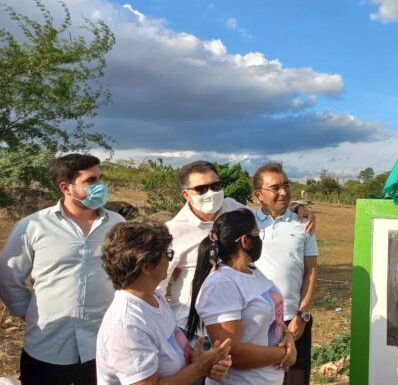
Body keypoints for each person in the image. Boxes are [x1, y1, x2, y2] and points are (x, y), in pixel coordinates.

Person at [0, 154, 125, 385]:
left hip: (103, 345)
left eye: (100, 178)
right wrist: (27, 312)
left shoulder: (117, 225)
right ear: (66, 187)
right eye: (90, 181)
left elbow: (129, 275)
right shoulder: (33, 226)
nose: (100, 186)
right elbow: (8, 277)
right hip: (47, 345)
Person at [159, 161, 314, 333]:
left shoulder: (233, 208)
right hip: (194, 329)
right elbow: (157, 287)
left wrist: (297, 208)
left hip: (237, 324)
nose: (211, 193)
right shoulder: (173, 231)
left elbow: (267, 213)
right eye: (201, 189)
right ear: (186, 194)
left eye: (216, 186)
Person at [96, 221, 232, 384]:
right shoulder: (128, 326)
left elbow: (170, 349)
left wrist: (198, 357)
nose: (170, 260)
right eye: (167, 254)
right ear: (146, 266)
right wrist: (199, 368)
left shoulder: (155, 297)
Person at [187, 209, 297, 384]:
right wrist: (284, 353)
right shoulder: (222, 284)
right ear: (245, 241)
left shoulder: (252, 271)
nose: (260, 240)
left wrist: (288, 335)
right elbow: (231, 352)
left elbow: (272, 317)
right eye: (257, 234)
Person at [252, 162, 319, 385]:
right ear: (258, 195)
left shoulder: (303, 223)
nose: (283, 192)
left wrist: (303, 315)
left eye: (286, 185)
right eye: (275, 188)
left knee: (295, 380)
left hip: (294, 321)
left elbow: (311, 271)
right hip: (256, 320)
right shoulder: (247, 223)